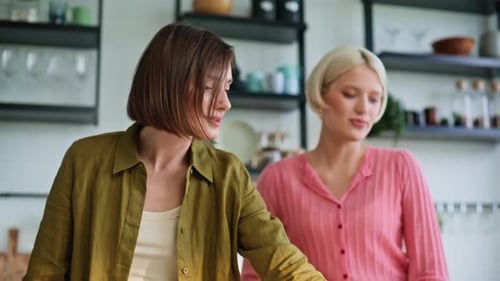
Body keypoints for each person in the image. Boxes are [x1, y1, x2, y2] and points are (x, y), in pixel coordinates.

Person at [23, 23, 326, 281]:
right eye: (210, 88)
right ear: (169, 84)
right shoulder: (85, 160)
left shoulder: (228, 174)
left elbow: (281, 259)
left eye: (228, 88)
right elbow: (44, 272)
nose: (225, 103)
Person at [241, 46, 449, 281]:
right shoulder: (277, 178)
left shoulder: (401, 167)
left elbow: (430, 272)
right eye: (350, 94)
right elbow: (255, 275)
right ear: (321, 95)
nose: (363, 109)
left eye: (374, 99)